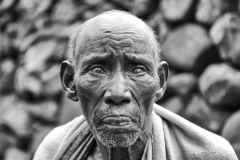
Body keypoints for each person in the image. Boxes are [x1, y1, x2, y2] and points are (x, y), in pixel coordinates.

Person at [33, 10, 238, 160]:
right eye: (97, 69)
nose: (118, 92)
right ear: (70, 81)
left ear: (160, 82)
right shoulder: (53, 150)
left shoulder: (210, 155)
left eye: (138, 69)